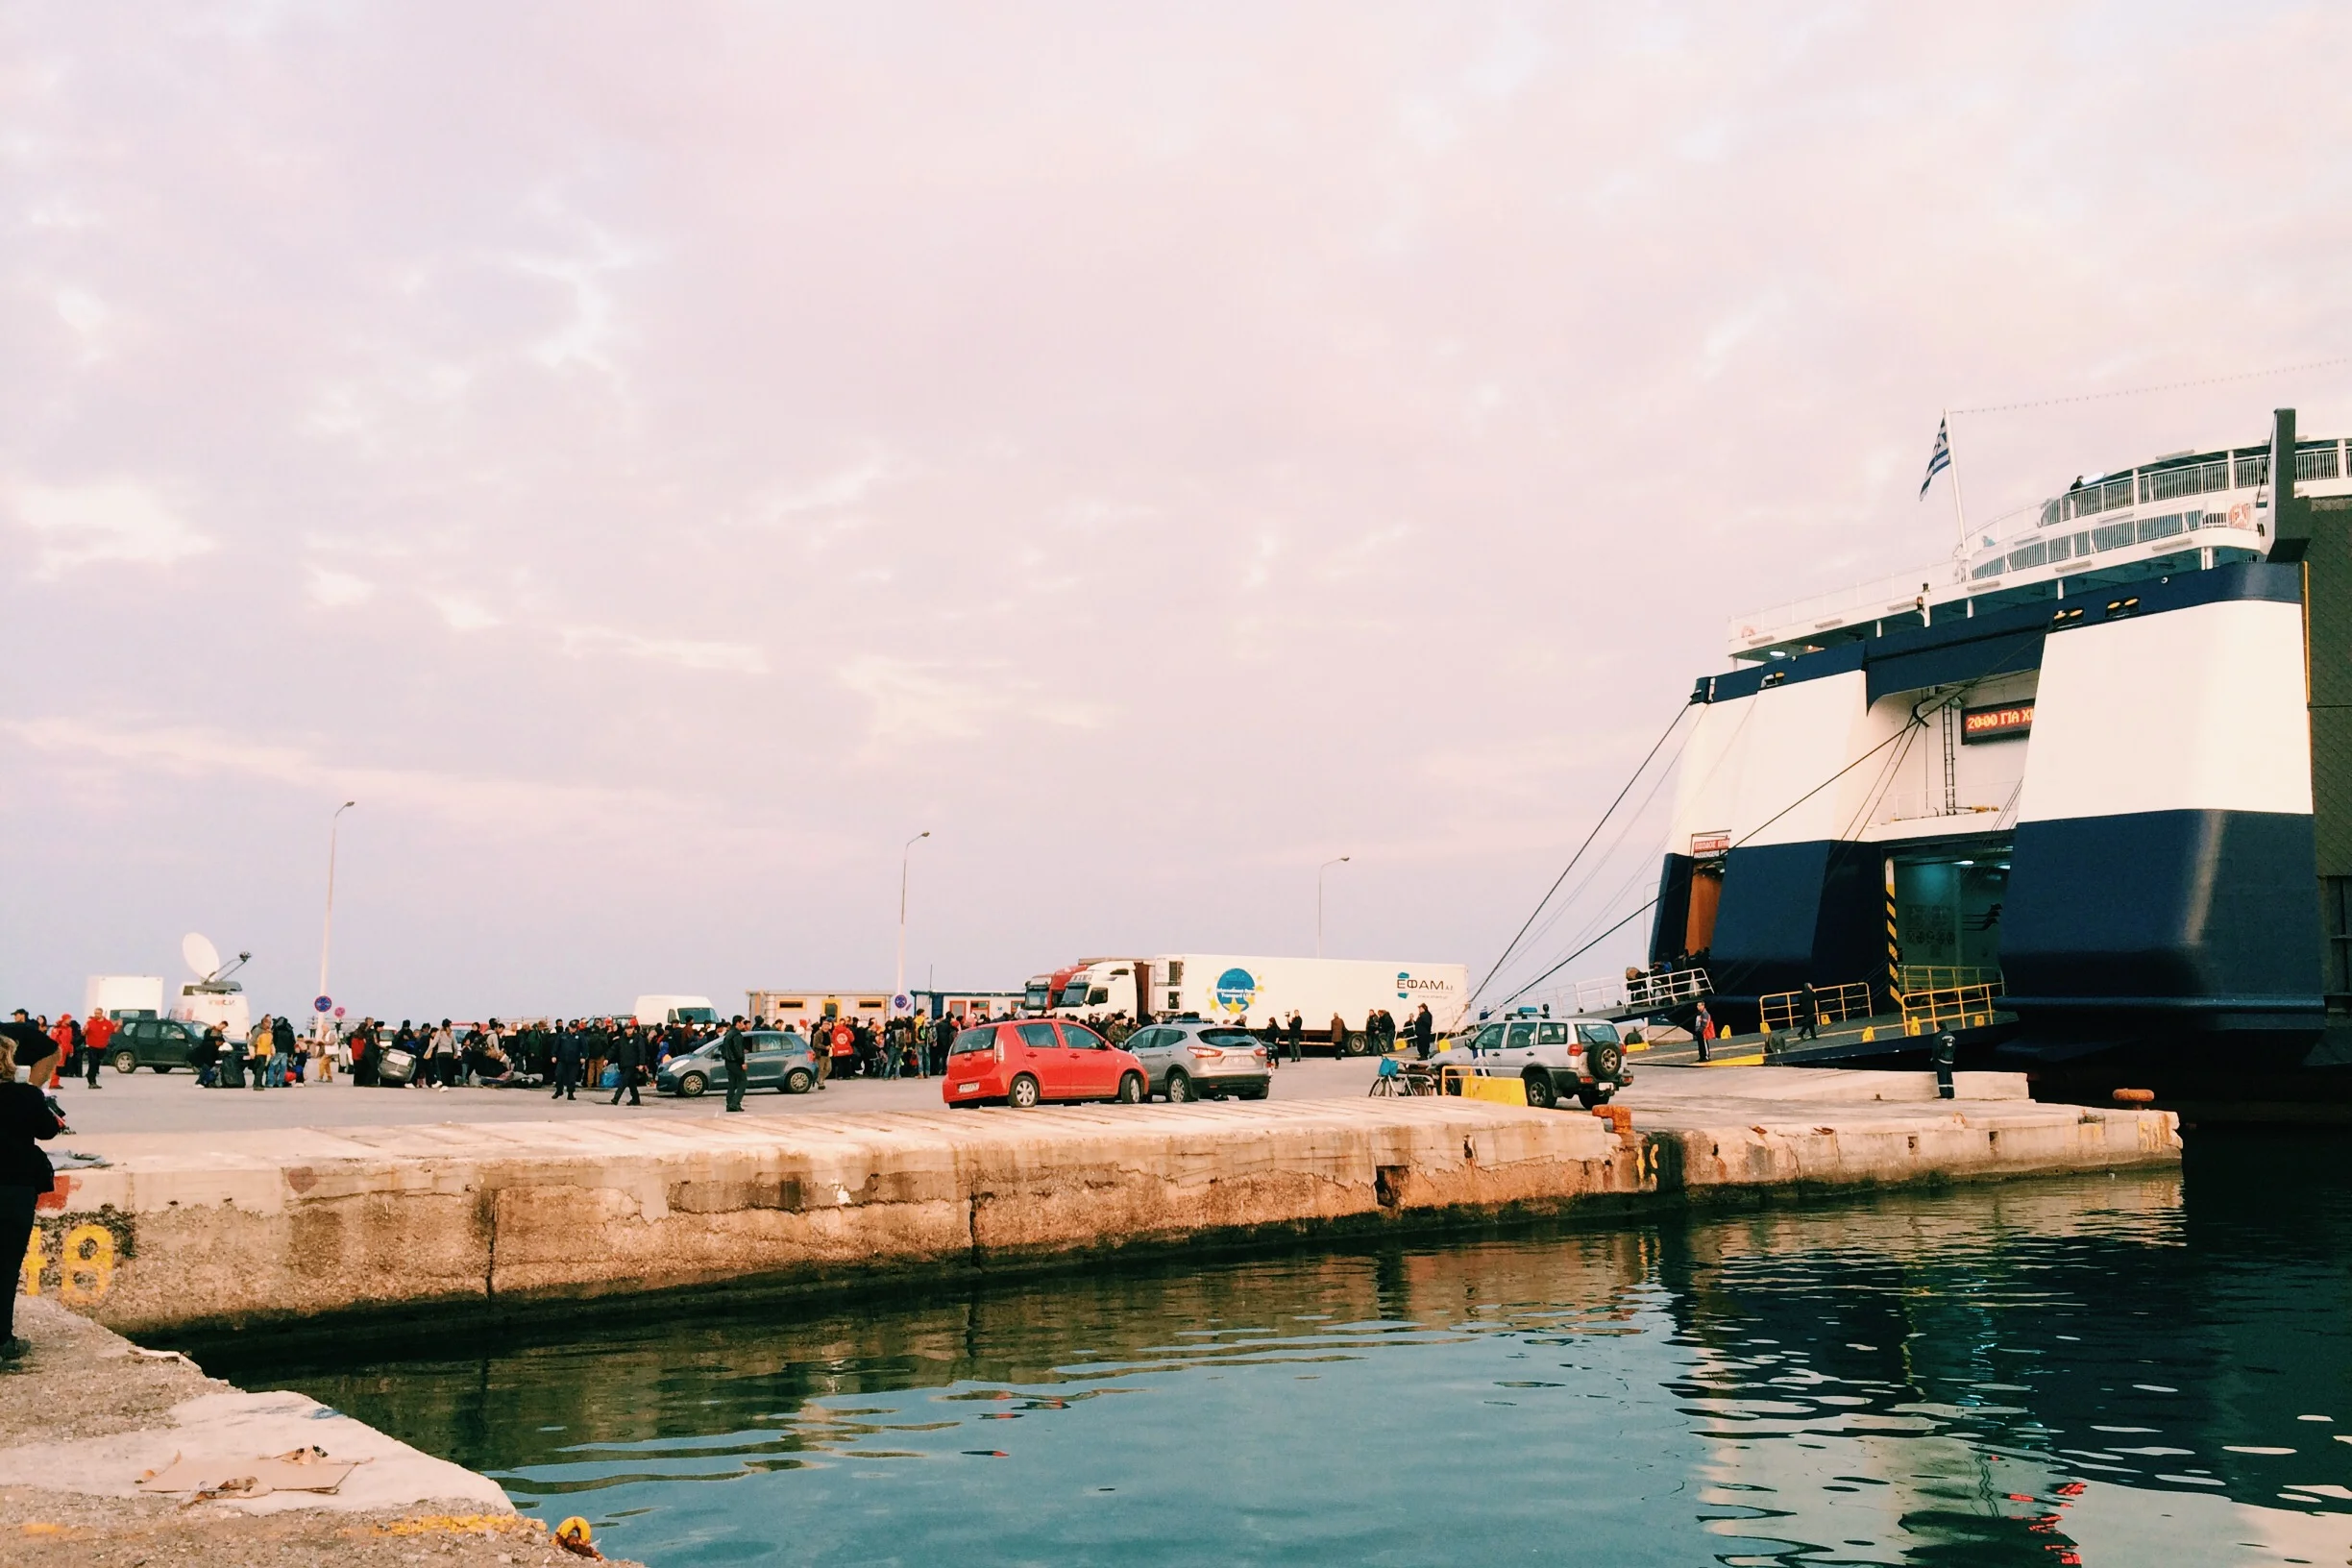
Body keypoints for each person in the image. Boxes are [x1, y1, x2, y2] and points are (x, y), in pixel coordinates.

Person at [1, 1028, 63, 1364]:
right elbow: (48, 1130)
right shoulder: (26, 1095)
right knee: (6, 1266)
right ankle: (2, 1341)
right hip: (15, 1190)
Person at [721, 1017, 749, 1113]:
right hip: (735, 1062)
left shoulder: (728, 1034)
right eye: (742, 1022)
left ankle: (730, 1104)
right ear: (738, 1023)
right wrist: (742, 1062)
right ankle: (735, 1103)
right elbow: (738, 1050)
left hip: (728, 1062)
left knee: (732, 1083)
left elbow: (724, 1048)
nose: (743, 1025)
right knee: (743, 1081)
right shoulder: (737, 1035)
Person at [609, 1027, 645, 1106]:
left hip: (633, 1064)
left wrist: (641, 1063)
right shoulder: (622, 1039)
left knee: (624, 1081)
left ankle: (616, 1098)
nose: (629, 1030)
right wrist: (607, 1058)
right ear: (625, 1030)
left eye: (631, 1028)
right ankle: (636, 1099)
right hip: (624, 1063)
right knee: (631, 1082)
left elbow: (642, 1051)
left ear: (633, 1029)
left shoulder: (638, 1038)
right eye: (627, 1029)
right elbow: (614, 1048)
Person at [552, 1023, 583, 1100]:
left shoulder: (579, 1036)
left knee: (572, 1078)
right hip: (562, 1060)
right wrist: (554, 1055)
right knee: (558, 1075)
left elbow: (584, 1047)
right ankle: (559, 1091)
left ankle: (570, 1093)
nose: (573, 1029)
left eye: (574, 1028)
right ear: (569, 1027)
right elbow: (556, 1046)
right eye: (572, 1027)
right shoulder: (562, 1035)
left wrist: (583, 1057)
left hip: (574, 1061)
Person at [82, 1011, 112, 1087]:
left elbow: (113, 1031)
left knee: (96, 1064)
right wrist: (85, 1030)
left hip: (102, 1047)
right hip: (92, 1046)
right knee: (93, 1063)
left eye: (98, 1013)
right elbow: (83, 1033)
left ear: (101, 1014)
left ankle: (93, 1080)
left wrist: (119, 1025)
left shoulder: (107, 1023)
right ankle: (91, 1080)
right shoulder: (90, 1023)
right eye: (95, 1013)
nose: (96, 1014)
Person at [1693, 1000, 1714, 1064]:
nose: (1698, 1007)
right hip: (1699, 1031)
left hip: (1703, 1032)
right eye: (1697, 1006)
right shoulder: (1699, 1013)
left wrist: (1701, 1031)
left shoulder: (1705, 1014)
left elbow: (1705, 1024)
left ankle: (1706, 1056)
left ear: (1703, 1006)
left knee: (1704, 1044)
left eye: (1700, 1006)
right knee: (1700, 1045)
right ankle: (1701, 1056)